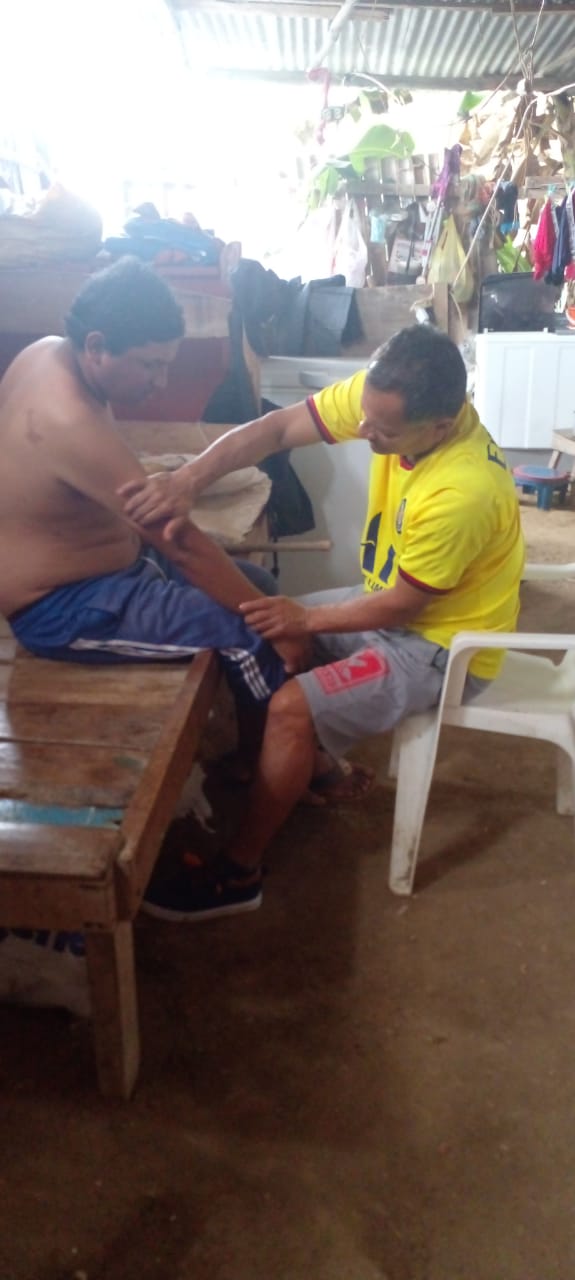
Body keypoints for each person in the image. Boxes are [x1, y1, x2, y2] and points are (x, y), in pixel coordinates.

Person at [121, 324, 525, 921]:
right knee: (265, 622)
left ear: (441, 427)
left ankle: (239, 873)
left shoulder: (463, 489)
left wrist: (306, 618)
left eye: (383, 431)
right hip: (395, 604)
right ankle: (317, 769)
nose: (364, 431)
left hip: (440, 646)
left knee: (291, 703)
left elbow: (402, 606)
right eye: (365, 417)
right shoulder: (385, 399)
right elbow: (277, 429)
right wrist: (186, 481)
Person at [0, 255, 308, 846]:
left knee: (261, 587)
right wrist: (276, 624)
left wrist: (262, 602)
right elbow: (180, 542)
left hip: (117, 570)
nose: (159, 382)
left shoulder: (50, 353)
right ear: (98, 346)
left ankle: (254, 757)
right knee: (249, 631)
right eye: (150, 365)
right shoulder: (65, 416)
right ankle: (287, 772)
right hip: (64, 608)